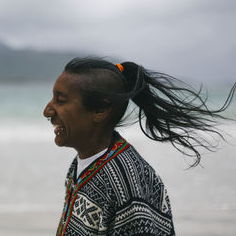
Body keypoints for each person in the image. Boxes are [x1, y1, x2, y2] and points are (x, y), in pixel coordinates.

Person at [43, 57, 235, 236]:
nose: (47, 110)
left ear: (100, 110)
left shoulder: (127, 184)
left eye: (60, 100)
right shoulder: (81, 165)